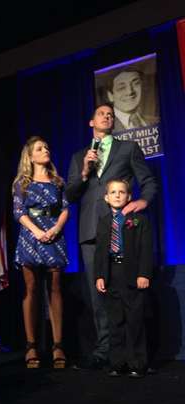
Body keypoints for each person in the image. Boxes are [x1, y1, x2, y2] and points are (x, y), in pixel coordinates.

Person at [66, 103, 157, 370]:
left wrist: (142, 202)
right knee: (98, 293)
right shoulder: (79, 155)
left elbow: (149, 181)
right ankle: (105, 350)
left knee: (126, 291)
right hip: (91, 231)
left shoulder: (128, 148)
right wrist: (84, 172)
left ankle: (131, 352)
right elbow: (71, 195)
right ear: (91, 122)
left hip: (122, 229)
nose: (107, 117)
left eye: (110, 115)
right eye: (101, 114)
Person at [13, 136, 69, 369]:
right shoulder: (21, 183)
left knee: (55, 289)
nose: (46, 150)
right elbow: (18, 212)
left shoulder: (57, 181)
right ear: (30, 156)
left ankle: (58, 346)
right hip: (31, 236)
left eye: (47, 147)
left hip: (54, 236)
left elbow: (65, 209)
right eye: (40, 148)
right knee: (31, 288)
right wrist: (36, 231)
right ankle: (31, 345)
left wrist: (56, 228)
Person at [95, 179, 153, 378]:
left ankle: (137, 363)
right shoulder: (103, 221)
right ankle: (117, 363)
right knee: (115, 321)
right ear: (106, 197)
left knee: (134, 320)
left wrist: (143, 273)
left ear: (129, 197)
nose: (117, 195)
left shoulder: (139, 220)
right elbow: (100, 251)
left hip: (132, 274)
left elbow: (146, 249)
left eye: (122, 192)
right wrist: (100, 275)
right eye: (113, 192)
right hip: (111, 274)